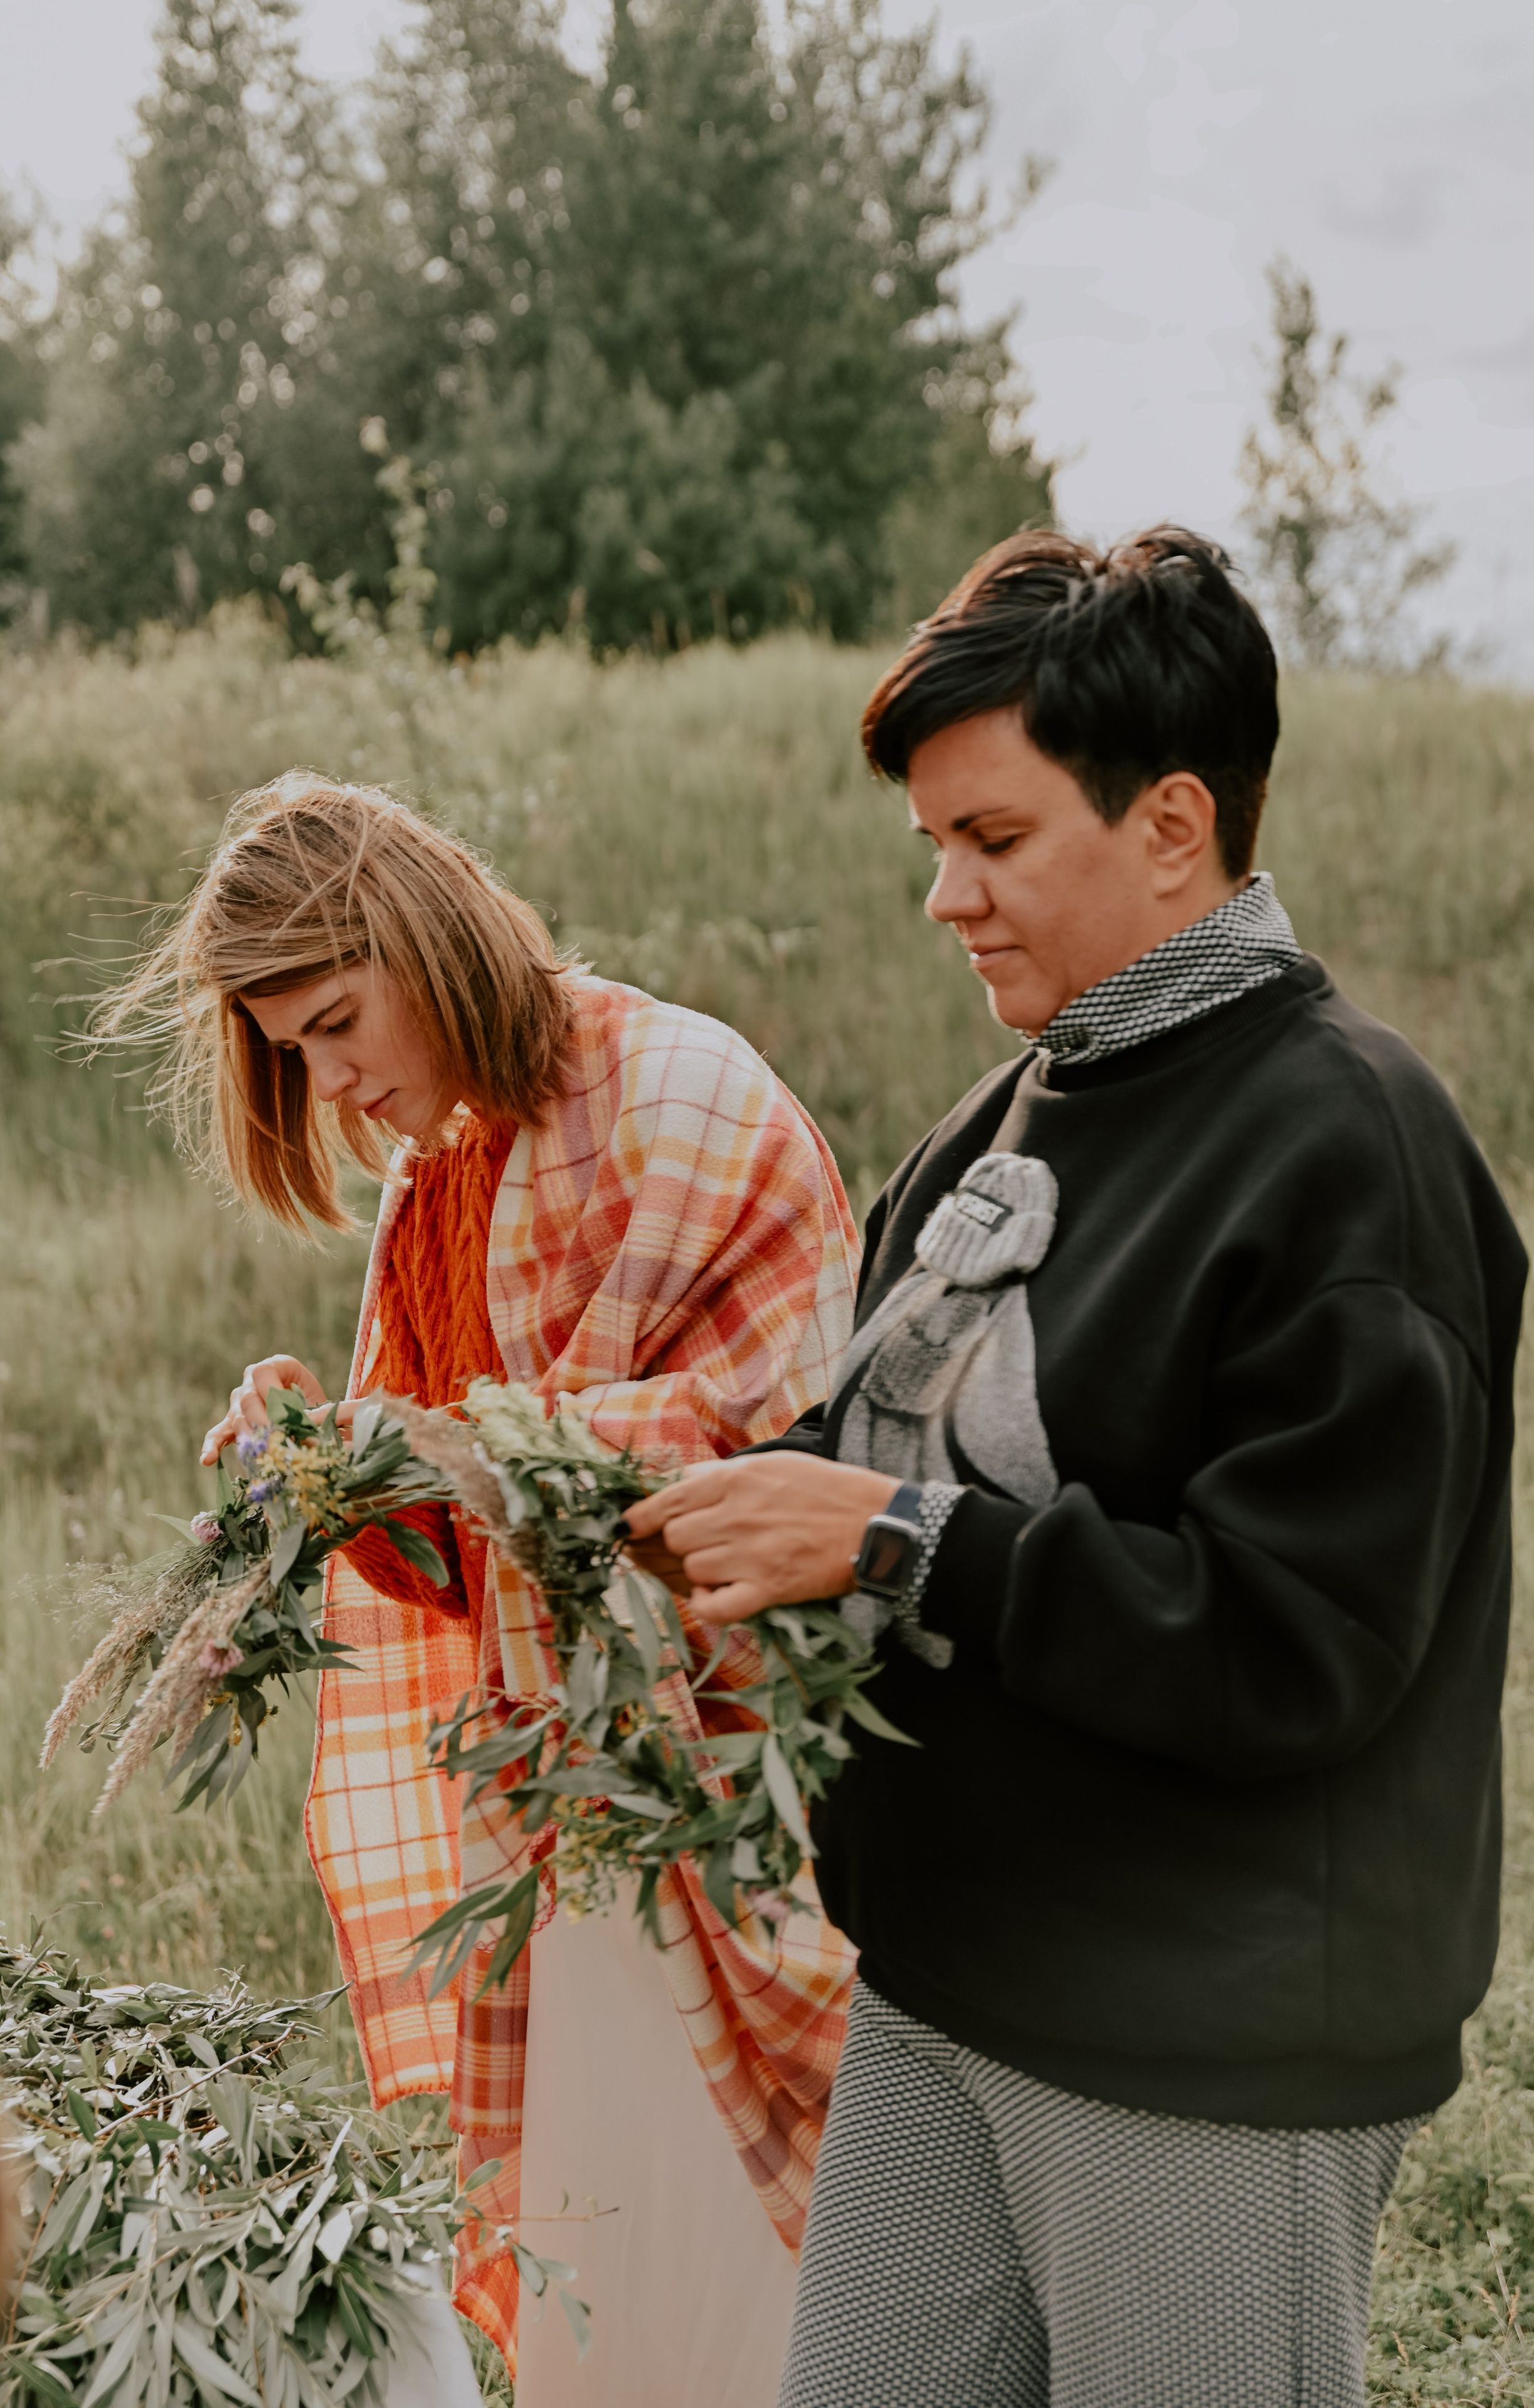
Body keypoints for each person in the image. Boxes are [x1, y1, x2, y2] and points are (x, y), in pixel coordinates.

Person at [626, 527, 1529, 2408]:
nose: (948, 897)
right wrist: (630, 1510)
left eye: (999, 841)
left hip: (1210, 2047)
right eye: (935, 846)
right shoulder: (1005, 1109)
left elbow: (1295, 1644)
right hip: (945, 1995)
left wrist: (889, 1540)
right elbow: (895, 1451)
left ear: (1175, 821)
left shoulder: (1347, 1145)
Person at [98, 776, 860, 2405]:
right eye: (294, 1051)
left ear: (425, 945)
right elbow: (446, 1552)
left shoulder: (679, 1094)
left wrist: (440, 1450)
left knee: (761, 2286)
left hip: (723, 1786)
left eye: (335, 1021)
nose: (332, 1077)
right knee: (611, 2278)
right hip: (558, 1815)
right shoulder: (433, 1183)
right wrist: (316, 1463)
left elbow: (775, 1435)